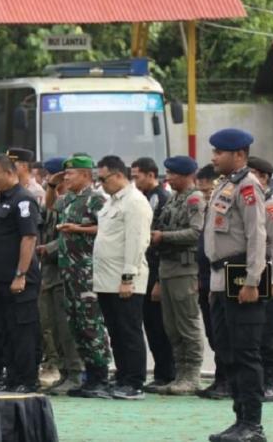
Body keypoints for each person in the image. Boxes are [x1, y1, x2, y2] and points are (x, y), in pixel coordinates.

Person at [204, 129, 268, 442]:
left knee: (245, 354)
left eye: (219, 152)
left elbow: (257, 235)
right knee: (227, 352)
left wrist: (253, 281)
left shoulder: (248, 186)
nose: (214, 157)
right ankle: (240, 419)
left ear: (239, 154)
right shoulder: (227, 184)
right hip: (222, 279)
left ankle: (252, 425)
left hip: (241, 277)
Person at [0, 154, 41, 393]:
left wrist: (20, 274)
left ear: (9, 173)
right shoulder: (0, 199)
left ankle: (27, 379)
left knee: (22, 331)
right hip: (0, 279)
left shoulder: (23, 199)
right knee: (5, 331)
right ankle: (13, 377)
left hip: (18, 280)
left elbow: (29, 238)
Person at [52, 154, 112, 398]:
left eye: (71, 173)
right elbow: (49, 206)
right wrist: (51, 185)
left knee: (91, 323)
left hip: (87, 270)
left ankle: (101, 376)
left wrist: (78, 229)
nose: (66, 177)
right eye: (65, 173)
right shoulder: (69, 198)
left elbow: (106, 228)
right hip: (69, 270)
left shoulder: (96, 199)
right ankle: (89, 376)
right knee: (75, 323)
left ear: (86, 175)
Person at [94, 155, 152, 400]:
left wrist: (128, 277)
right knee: (116, 332)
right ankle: (122, 376)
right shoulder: (112, 201)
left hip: (124, 279)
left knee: (129, 331)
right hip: (107, 279)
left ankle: (134, 382)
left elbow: (136, 242)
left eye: (103, 179)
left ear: (118, 175)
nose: (101, 184)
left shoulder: (135, 202)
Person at [149, 156, 206, 395]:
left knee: (187, 324)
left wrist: (164, 237)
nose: (169, 178)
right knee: (171, 327)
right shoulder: (173, 198)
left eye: (173, 174)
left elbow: (196, 233)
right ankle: (180, 374)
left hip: (185, 269)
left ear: (186, 175)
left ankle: (192, 376)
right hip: (168, 267)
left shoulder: (195, 199)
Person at [37, 157, 84, 395]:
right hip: (50, 270)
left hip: (69, 270)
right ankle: (64, 372)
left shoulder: (84, 201)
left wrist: (50, 248)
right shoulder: (63, 200)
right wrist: (52, 186)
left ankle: (75, 373)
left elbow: (77, 234)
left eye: (55, 175)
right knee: (52, 325)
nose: (50, 179)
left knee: (67, 327)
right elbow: (49, 208)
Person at [131, 157, 176, 392]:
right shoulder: (145, 197)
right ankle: (161, 372)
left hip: (156, 269)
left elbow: (158, 242)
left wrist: (158, 280)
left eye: (137, 176)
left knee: (159, 325)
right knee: (150, 324)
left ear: (150, 175)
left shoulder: (160, 198)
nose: (134, 180)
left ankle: (166, 373)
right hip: (144, 269)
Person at [247, 156, 273, 404]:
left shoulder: (270, 204)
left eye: (252, 173)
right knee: (250, 331)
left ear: (263, 177)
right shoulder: (252, 202)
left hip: (266, 273)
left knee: (268, 332)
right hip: (248, 271)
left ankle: (272, 383)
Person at [195, 163, 230, 400]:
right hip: (205, 279)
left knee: (225, 334)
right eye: (203, 191)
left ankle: (228, 380)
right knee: (213, 332)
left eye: (208, 191)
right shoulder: (208, 209)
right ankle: (221, 378)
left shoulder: (223, 206)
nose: (206, 195)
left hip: (220, 277)